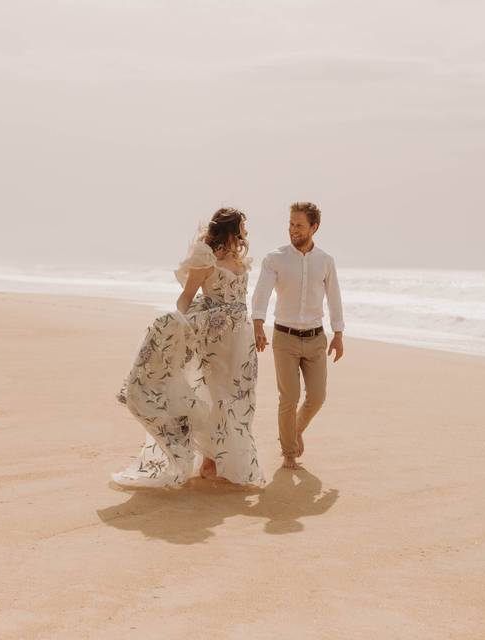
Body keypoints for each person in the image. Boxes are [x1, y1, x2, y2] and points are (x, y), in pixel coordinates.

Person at [111, 207, 265, 488]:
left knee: (239, 399)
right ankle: (209, 463)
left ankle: (220, 462)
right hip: (214, 340)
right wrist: (182, 327)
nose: (246, 232)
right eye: (243, 226)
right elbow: (185, 299)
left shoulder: (241, 260)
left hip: (241, 342)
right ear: (232, 229)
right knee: (215, 397)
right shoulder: (206, 259)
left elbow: (242, 301)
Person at [251, 201, 345, 470]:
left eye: (299, 225)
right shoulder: (275, 259)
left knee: (317, 397)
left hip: (316, 339)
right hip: (285, 338)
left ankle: (295, 430)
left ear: (314, 227)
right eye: (291, 224)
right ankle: (289, 452)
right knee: (288, 397)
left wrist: (338, 333)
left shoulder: (326, 261)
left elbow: (335, 297)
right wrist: (258, 325)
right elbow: (262, 294)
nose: (293, 229)